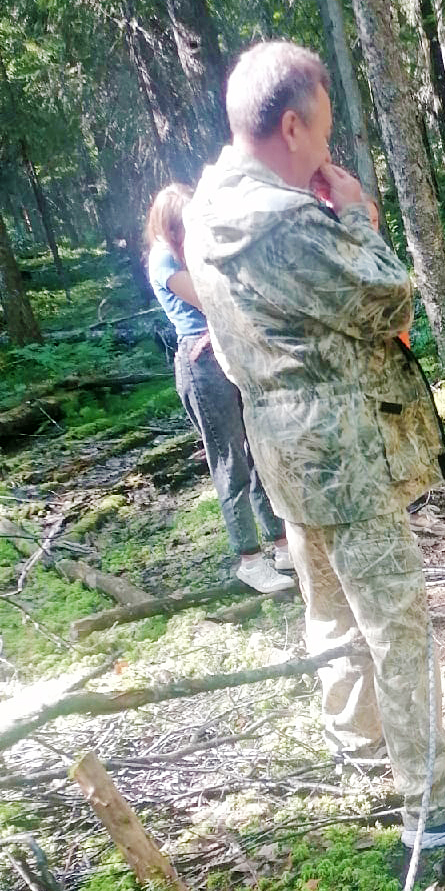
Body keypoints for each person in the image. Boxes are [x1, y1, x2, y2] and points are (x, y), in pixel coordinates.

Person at [183, 40, 445, 851]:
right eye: (321, 133)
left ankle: (360, 752)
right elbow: (386, 290)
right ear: (290, 126)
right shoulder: (284, 225)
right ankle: (438, 799)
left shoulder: (207, 206)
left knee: (327, 609)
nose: (327, 150)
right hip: (342, 448)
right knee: (395, 620)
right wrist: (357, 213)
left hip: (280, 444)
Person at [144, 184, 294, 597]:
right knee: (231, 463)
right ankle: (249, 559)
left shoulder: (194, 250)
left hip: (230, 354)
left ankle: (281, 545)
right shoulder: (164, 259)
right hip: (202, 367)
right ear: (172, 224)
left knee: (259, 453)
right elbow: (214, 299)